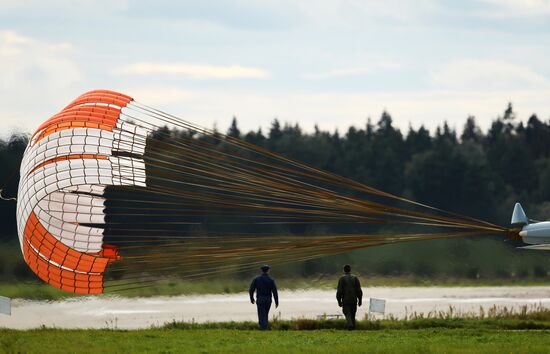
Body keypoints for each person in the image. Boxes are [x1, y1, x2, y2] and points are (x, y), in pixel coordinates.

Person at [249, 264, 279, 330]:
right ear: (268, 271)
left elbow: (251, 290)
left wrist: (251, 298)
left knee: (261, 315)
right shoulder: (271, 280)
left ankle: (264, 328)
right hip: (268, 300)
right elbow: (275, 292)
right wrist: (276, 302)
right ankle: (264, 327)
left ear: (261, 270)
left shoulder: (256, 279)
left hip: (260, 299)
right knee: (265, 314)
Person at [336, 264, 363, 330]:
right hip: (354, 300)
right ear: (350, 270)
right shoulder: (355, 278)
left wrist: (339, 301)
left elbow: (339, 291)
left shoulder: (342, 279)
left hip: (346, 300)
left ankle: (350, 325)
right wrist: (360, 300)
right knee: (353, 314)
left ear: (343, 270)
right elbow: (359, 290)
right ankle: (353, 328)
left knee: (347, 313)